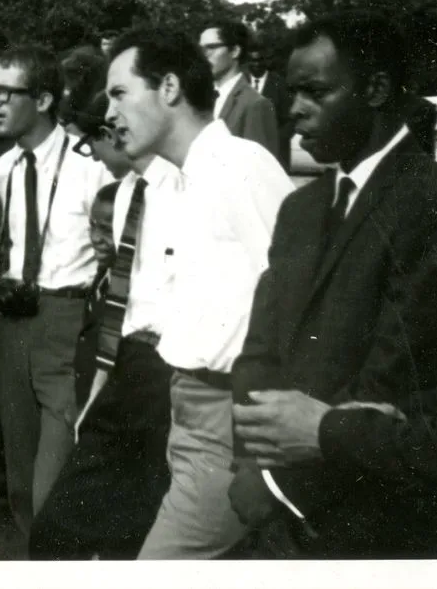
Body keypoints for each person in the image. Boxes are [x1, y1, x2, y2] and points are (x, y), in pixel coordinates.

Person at [238, 0, 437, 559]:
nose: (295, 109)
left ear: (377, 89)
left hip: (362, 518)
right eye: (292, 92)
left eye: (315, 91)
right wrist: (258, 465)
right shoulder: (300, 208)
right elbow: (258, 348)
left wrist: (277, 485)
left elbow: (394, 386)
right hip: (281, 502)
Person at [105, 28, 293, 559]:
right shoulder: (179, 180)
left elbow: (296, 304)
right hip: (188, 411)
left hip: (231, 422)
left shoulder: (239, 166)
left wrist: (261, 458)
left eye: (120, 93)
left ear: (168, 88)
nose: (111, 113)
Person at [30, 90, 178, 560]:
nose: (92, 153)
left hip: (171, 373)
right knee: (61, 530)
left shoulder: (181, 186)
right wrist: (100, 384)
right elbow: (121, 299)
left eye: (94, 141)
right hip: (126, 369)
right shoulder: (126, 196)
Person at [0, 45, 112, 541]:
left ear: (41, 99)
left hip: (66, 320)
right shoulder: (3, 168)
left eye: (5, 92)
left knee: (54, 478)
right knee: (19, 471)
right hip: (13, 318)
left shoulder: (89, 164)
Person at [198, 21, 280, 159]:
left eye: (211, 47)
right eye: (201, 49)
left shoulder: (255, 104)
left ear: (235, 51)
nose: (203, 55)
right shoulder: (202, 99)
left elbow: (260, 169)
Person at [247, 37, 293, 169]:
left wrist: (274, 140)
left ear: (266, 61)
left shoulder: (281, 84)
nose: (256, 64)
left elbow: (291, 120)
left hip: (275, 154)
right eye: (252, 60)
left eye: (260, 60)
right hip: (247, 156)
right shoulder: (240, 83)